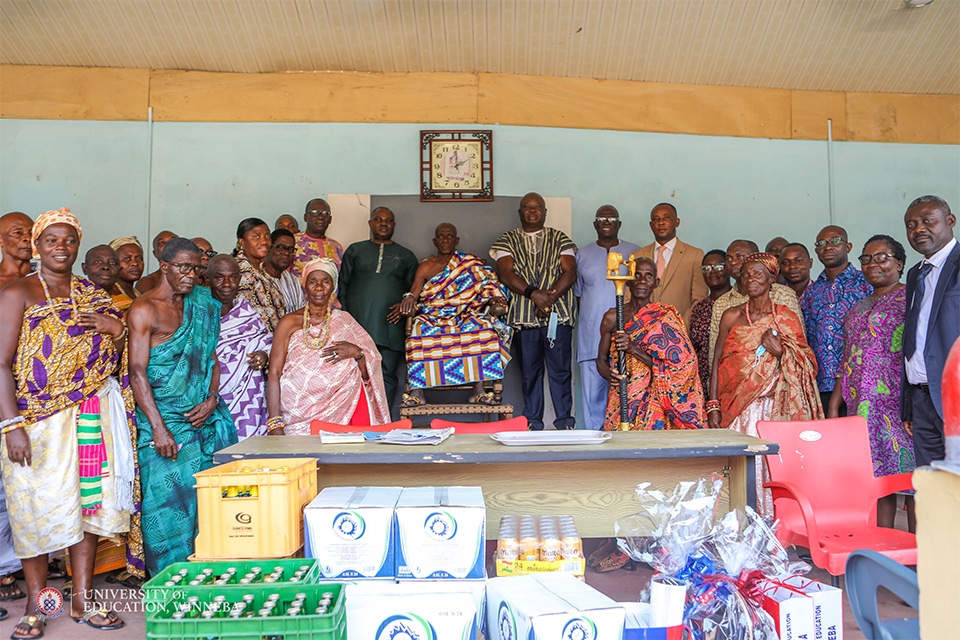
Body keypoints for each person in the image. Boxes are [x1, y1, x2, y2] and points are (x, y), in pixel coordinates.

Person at [1, 208, 137, 636]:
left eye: (69, 240)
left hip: (91, 415)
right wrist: (12, 426)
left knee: (88, 510)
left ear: (77, 245)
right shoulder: (18, 292)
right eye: (52, 240)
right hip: (36, 422)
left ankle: (82, 601)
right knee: (33, 512)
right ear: (38, 246)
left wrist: (115, 328)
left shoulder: (92, 292)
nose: (61, 247)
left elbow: (120, 350)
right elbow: (1, 364)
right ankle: (37, 607)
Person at [128, 237, 237, 575]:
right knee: (166, 513)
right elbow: (137, 372)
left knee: (210, 509)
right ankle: (170, 589)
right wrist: (159, 429)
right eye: (184, 268)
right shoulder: (145, 308)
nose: (192, 275)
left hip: (204, 421)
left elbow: (212, 360)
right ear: (165, 266)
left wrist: (212, 399)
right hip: (164, 426)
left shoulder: (203, 303)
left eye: (197, 269)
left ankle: (207, 583)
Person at [709, 253, 822, 516]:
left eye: (757, 274)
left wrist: (781, 351)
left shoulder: (785, 317)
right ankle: (738, 528)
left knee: (772, 466)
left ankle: (776, 527)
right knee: (736, 467)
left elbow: (807, 361)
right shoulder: (730, 315)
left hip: (775, 408)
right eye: (746, 274)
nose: (750, 279)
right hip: (736, 409)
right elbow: (716, 362)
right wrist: (713, 404)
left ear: (772, 278)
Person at [828, 235, 915, 531]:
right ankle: (884, 552)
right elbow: (847, 357)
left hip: (897, 406)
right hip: (860, 408)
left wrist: (916, 405)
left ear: (899, 263)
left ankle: (920, 556)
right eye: (867, 259)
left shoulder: (911, 299)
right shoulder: (858, 306)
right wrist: (835, 403)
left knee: (911, 481)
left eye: (881, 258)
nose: (872, 265)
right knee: (877, 482)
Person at [267, 259, 390, 434]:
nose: (319, 287)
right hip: (296, 412)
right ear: (305, 286)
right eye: (313, 281)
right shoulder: (289, 322)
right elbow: (274, 373)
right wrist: (275, 423)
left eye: (325, 281)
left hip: (342, 408)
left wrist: (357, 352)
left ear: (333, 287)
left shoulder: (345, 321)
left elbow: (368, 374)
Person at [400, 223, 512, 407]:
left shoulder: (470, 264)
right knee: (418, 329)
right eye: (441, 236)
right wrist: (408, 298)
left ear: (456, 240)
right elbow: (414, 292)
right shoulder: (426, 267)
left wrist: (493, 299)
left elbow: (488, 286)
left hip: (464, 314)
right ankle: (417, 391)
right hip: (433, 315)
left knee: (483, 328)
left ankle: (478, 390)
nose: (445, 239)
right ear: (435, 241)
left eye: (449, 236)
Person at [491, 192, 577, 431]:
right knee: (530, 373)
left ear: (545, 212)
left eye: (538, 206)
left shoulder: (560, 239)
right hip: (523, 318)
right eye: (527, 207)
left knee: (560, 371)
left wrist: (548, 299)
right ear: (520, 212)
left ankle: (565, 423)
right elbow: (506, 274)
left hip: (558, 316)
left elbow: (569, 273)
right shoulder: (506, 240)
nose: (532, 210)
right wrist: (533, 295)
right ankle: (533, 422)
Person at [597, 258, 706, 431]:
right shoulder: (612, 317)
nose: (641, 281)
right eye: (636, 275)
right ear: (628, 281)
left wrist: (633, 349)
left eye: (648, 277)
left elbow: (685, 365)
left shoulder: (665, 318)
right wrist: (610, 375)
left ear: (656, 283)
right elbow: (601, 360)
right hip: (623, 395)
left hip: (656, 397)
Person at [340, 207, 418, 407]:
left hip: (390, 327)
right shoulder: (355, 250)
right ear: (370, 223)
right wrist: (346, 321)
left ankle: (386, 423)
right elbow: (343, 285)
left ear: (394, 225)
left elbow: (414, 292)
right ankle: (358, 422)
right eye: (378, 219)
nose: (383, 224)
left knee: (386, 376)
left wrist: (404, 306)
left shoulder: (406, 256)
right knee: (353, 373)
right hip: (357, 325)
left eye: (388, 220)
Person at [902, 195, 959, 467]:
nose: (918, 229)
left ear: (950, 222)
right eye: (911, 225)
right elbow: (916, 335)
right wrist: (909, 404)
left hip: (954, 395)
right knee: (935, 487)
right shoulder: (916, 274)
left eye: (927, 221)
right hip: (922, 399)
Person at [574, 206, 640, 430]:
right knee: (592, 401)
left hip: (628, 339)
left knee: (628, 399)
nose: (606, 221)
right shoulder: (581, 255)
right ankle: (595, 454)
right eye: (601, 218)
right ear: (594, 224)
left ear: (619, 224)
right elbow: (579, 298)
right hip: (591, 338)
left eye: (612, 218)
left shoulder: (635, 253)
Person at [801, 225, 872, 415]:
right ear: (816, 251)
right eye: (821, 244)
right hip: (821, 384)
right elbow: (805, 336)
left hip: (859, 382)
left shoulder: (866, 284)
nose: (828, 247)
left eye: (835, 241)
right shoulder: (812, 292)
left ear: (848, 247)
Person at [707, 239, 803, 365]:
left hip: (778, 378)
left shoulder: (783, 294)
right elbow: (715, 353)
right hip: (736, 377)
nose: (733, 262)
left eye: (739, 257)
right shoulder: (721, 303)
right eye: (729, 258)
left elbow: (799, 346)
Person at [209, 255, 271, 440]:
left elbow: (266, 343)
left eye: (233, 277)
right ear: (207, 278)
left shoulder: (247, 312)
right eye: (219, 277)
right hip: (210, 400)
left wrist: (263, 356)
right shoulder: (199, 313)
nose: (227, 284)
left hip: (249, 402)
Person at [628, 203, 707, 326]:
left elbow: (699, 299)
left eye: (666, 218)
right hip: (642, 330)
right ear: (651, 225)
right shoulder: (637, 256)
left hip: (679, 332)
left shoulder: (695, 255)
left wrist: (680, 327)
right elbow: (629, 297)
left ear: (677, 222)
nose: (661, 223)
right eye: (656, 219)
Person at [688, 250, 732, 392]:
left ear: (728, 268)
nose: (712, 272)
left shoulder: (739, 302)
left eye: (718, 267)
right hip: (702, 381)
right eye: (706, 268)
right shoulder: (699, 309)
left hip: (732, 377)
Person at [233, 218, 286, 332]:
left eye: (267, 237)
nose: (264, 242)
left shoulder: (259, 269)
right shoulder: (242, 269)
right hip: (255, 344)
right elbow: (242, 315)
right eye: (257, 236)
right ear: (242, 242)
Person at [290, 198, 344, 281]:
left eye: (325, 213)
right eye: (315, 212)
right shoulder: (293, 241)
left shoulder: (336, 246)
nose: (320, 217)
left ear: (330, 219)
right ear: (305, 217)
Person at [264, 228, 305, 314]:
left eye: (290, 249)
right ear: (269, 248)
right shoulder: (257, 279)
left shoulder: (293, 280)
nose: (286, 253)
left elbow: (300, 313)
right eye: (281, 248)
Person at [108, 236, 144, 312]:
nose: (135, 263)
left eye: (139, 259)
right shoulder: (109, 294)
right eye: (127, 259)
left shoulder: (136, 293)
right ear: (113, 263)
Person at [135, 230, 178, 294]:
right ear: (155, 253)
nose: (168, 245)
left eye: (173, 241)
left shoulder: (191, 277)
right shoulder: (147, 282)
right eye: (161, 243)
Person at [0, 212, 33, 290]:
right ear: (1, 240)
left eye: (31, 233)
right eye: (17, 233)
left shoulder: (48, 277)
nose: (28, 238)